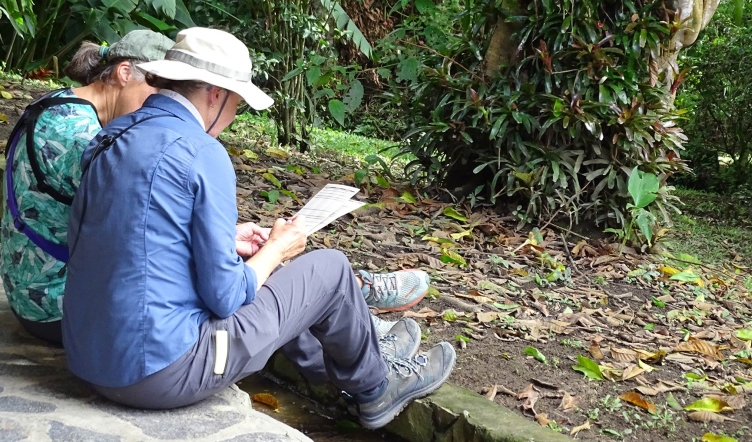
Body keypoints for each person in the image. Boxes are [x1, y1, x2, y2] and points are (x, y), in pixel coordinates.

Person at [62, 27, 455, 429]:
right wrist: (276, 250)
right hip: (160, 374)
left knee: (272, 273)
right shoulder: (202, 152)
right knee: (331, 270)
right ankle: (377, 387)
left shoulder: (111, 137)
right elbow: (227, 297)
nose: (233, 117)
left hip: (91, 360)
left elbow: (125, 235)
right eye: (237, 103)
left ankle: (350, 368)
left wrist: (229, 241)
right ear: (216, 94)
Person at [0, 30, 175, 345]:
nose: (161, 104)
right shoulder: (78, 136)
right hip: (52, 306)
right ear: (124, 73)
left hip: (32, 288)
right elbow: (140, 228)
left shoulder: (62, 103)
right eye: (158, 89)